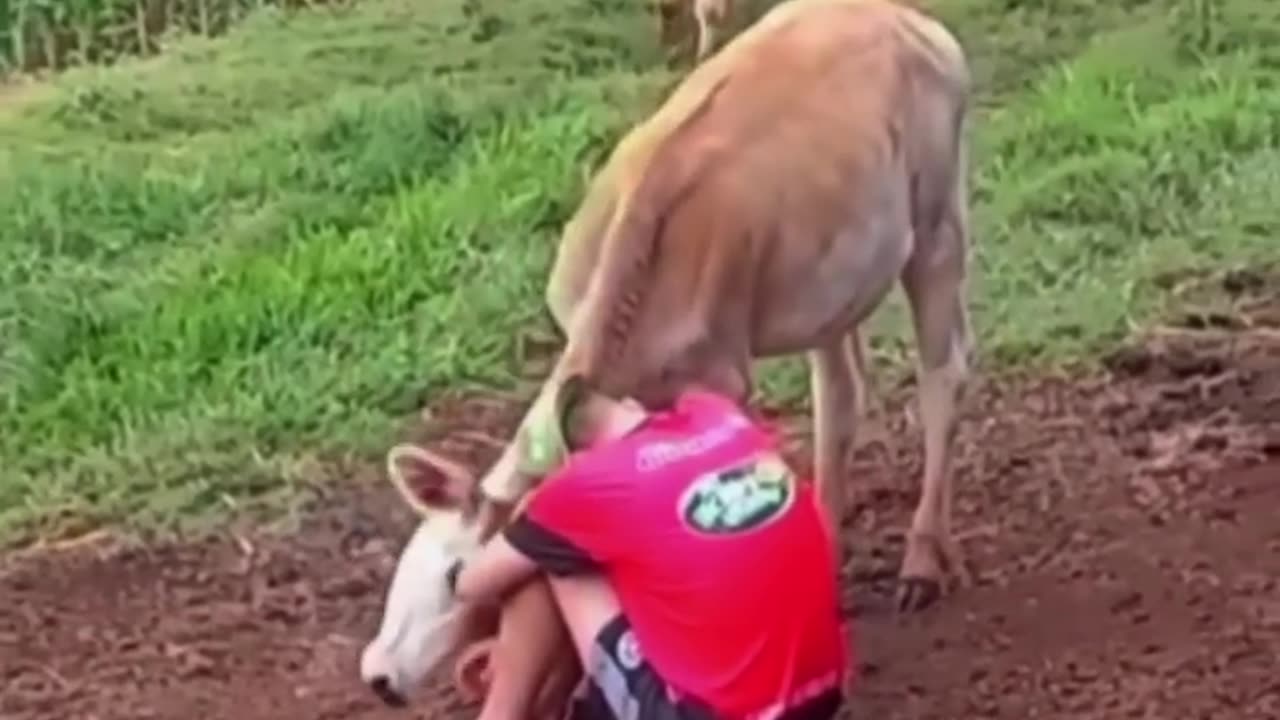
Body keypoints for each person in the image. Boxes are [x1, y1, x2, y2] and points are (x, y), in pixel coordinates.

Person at [448, 376, 851, 720]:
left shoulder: (583, 485)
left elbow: (473, 584)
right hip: (820, 694)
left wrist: (470, 562)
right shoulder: (717, 414)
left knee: (555, 557)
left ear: (574, 460)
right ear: (629, 405)